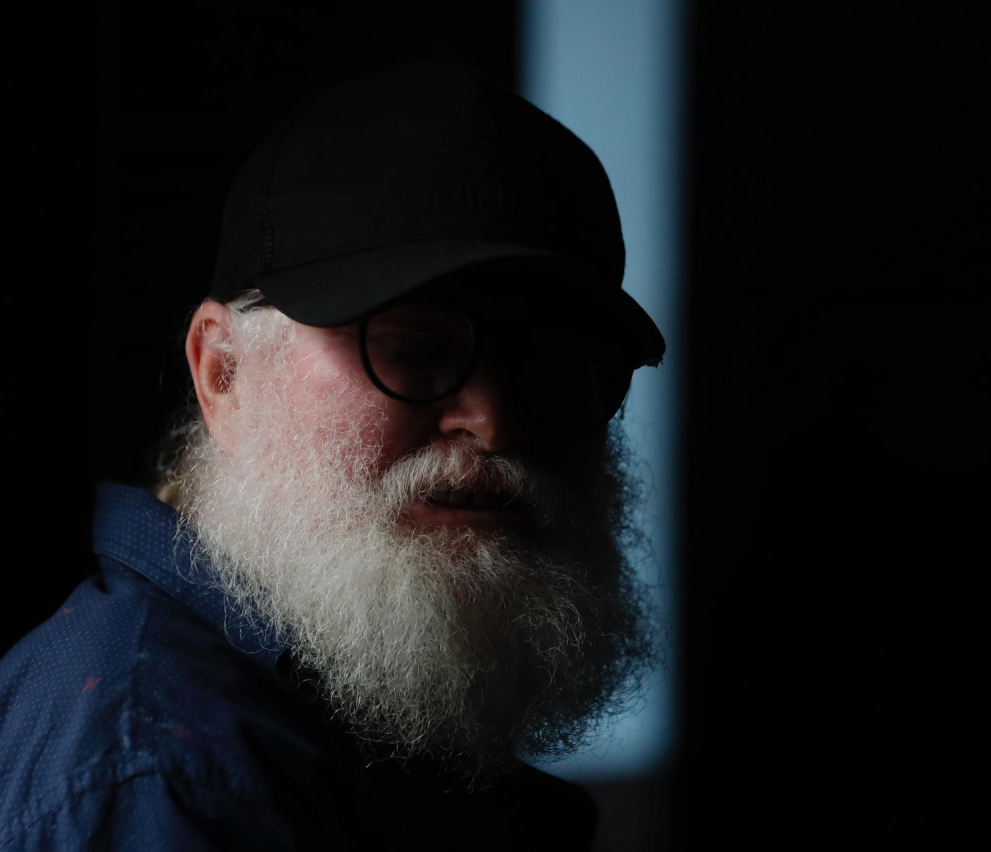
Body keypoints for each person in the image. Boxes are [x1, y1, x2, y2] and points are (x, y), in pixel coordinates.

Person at [0, 60, 665, 850]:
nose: (493, 420)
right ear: (225, 373)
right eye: (414, 349)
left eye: (553, 367)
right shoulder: (168, 769)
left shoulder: (333, 710)